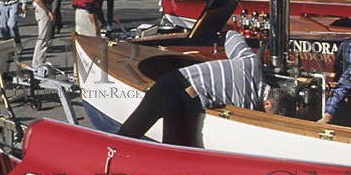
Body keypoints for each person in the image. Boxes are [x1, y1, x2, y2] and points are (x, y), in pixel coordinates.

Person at [116, 31, 272, 145]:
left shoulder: (251, 62)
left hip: (169, 82)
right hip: (184, 103)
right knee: (174, 157)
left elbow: (232, 35)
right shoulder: (247, 105)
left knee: (125, 137)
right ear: (267, 104)